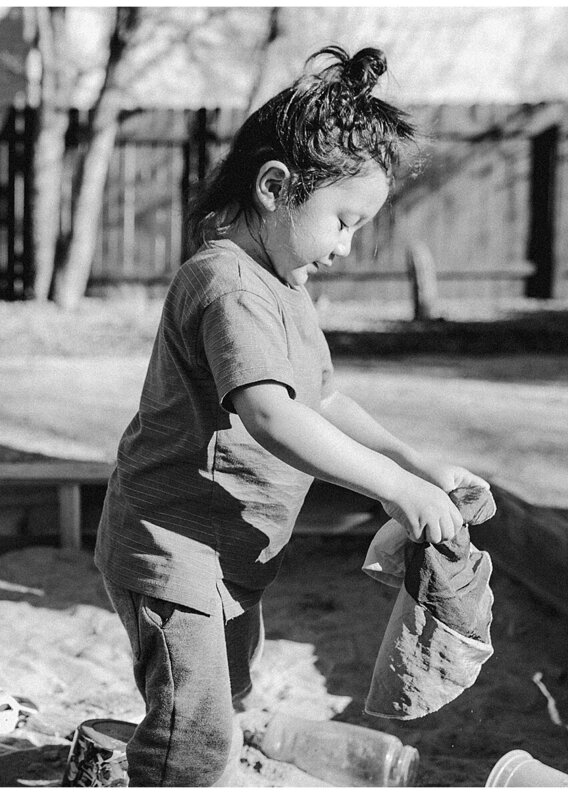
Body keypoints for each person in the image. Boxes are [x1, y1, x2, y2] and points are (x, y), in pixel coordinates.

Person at [94, 45, 489, 787]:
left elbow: (325, 399)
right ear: (276, 187)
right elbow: (273, 414)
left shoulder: (286, 287)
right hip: (171, 552)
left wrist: (414, 464)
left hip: (229, 555)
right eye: (342, 221)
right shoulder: (227, 284)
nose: (346, 246)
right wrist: (393, 491)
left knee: (226, 694)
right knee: (190, 733)